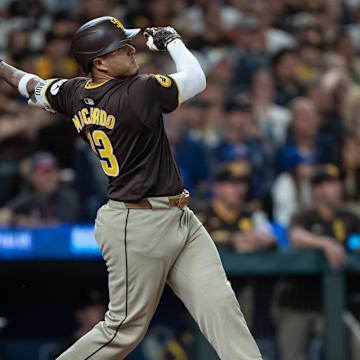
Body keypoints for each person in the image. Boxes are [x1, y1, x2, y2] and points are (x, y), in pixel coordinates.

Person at [0, 17, 262, 360]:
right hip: (135, 221)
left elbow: (31, 87)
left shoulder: (75, 92)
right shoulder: (139, 91)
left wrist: (2, 66)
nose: (130, 49)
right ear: (100, 63)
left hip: (179, 217)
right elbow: (197, 78)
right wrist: (171, 40)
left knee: (222, 308)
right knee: (123, 329)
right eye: (120, 48)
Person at [274, 164, 360, 360]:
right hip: (295, 301)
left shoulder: (349, 217)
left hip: (330, 304)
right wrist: (325, 243)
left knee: (350, 347)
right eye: (329, 183)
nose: (337, 187)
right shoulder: (304, 214)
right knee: (293, 355)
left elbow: (357, 239)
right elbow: (294, 236)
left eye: (338, 182)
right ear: (316, 190)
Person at [0, 151, 80, 226]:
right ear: (32, 177)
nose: (51, 177)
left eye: (54, 171)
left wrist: (22, 221)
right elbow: (4, 215)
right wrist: (12, 218)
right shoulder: (29, 197)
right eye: (45, 172)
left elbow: (58, 227)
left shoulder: (69, 198)